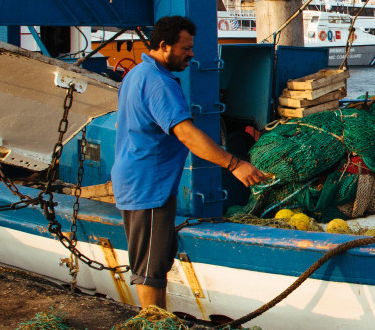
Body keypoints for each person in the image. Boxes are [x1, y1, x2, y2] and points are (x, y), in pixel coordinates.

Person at [110, 16, 270, 309]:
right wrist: (235, 164)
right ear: (163, 46)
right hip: (149, 187)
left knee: (154, 260)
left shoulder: (137, 74)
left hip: (137, 179)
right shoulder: (159, 84)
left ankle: (155, 325)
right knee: (150, 268)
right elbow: (186, 133)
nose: (191, 54)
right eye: (185, 48)